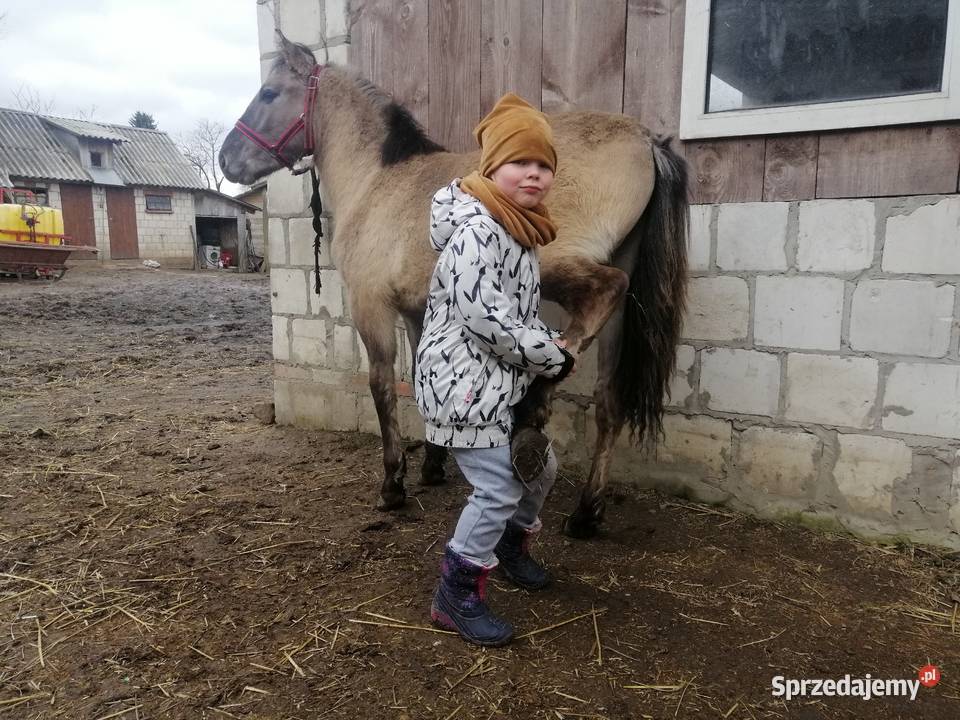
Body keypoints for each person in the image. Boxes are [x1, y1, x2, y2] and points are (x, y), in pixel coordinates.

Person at [414, 93, 575, 646]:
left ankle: (507, 547)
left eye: (543, 165)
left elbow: (513, 314)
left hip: (498, 378)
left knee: (541, 469)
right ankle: (455, 594)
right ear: (491, 168)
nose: (533, 174)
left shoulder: (517, 227)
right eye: (520, 163)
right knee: (500, 483)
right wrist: (550, 354)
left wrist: (542, 342)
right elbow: (485, 317)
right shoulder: (479, 230)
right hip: (461, 381)